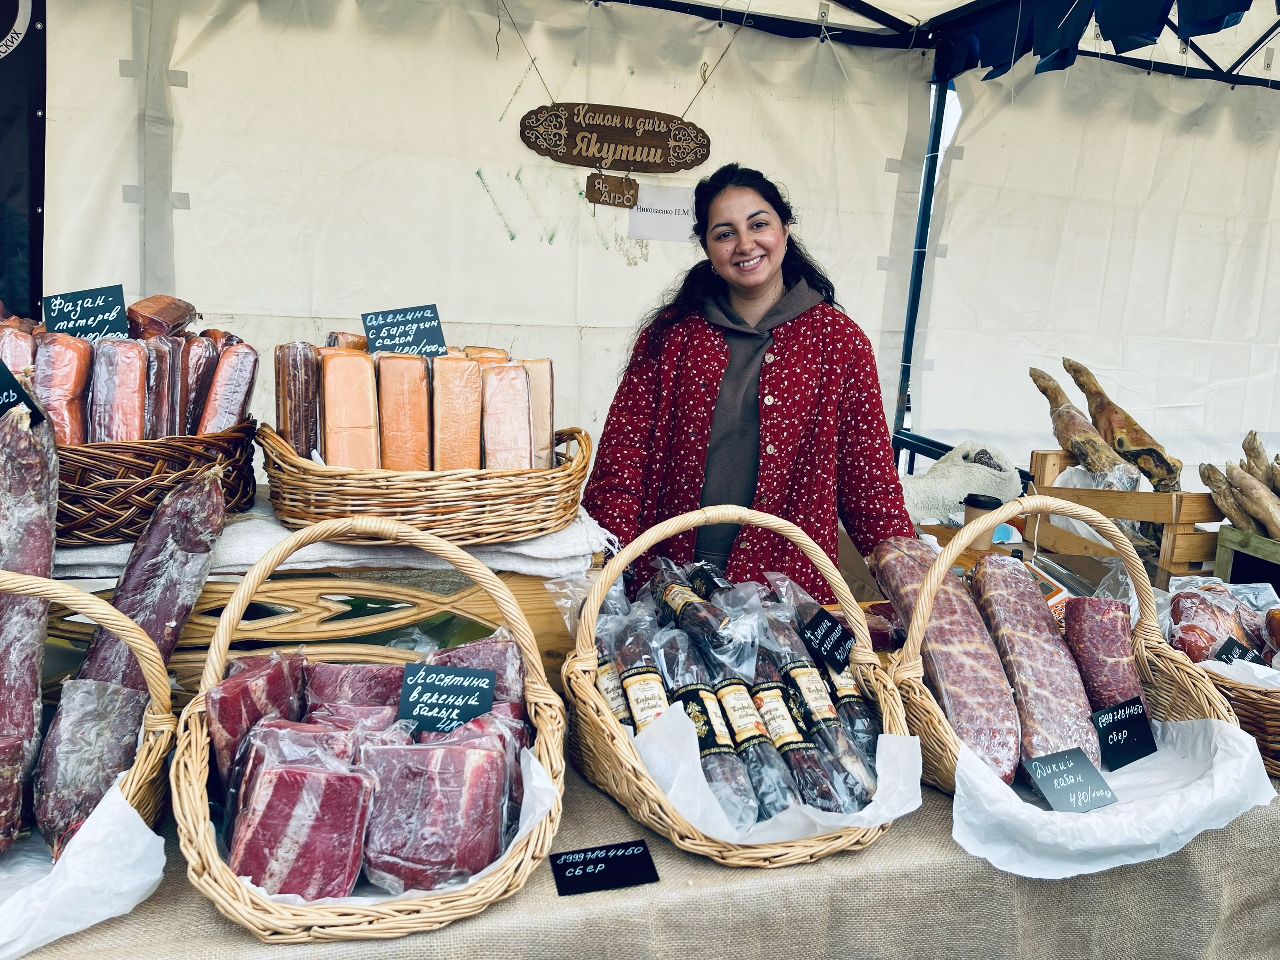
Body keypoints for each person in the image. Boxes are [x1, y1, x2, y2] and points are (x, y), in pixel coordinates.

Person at [583, 162, 915, 603]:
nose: (745, 244)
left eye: (759, 224)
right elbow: (623, 460)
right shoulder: (672, 336)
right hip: (668, 581)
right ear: (707, 248)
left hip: (787, 592)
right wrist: (603, 569)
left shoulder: (839, 342)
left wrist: (919, 585)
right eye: (725, 233)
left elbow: (870, 485)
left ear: (785, 230)